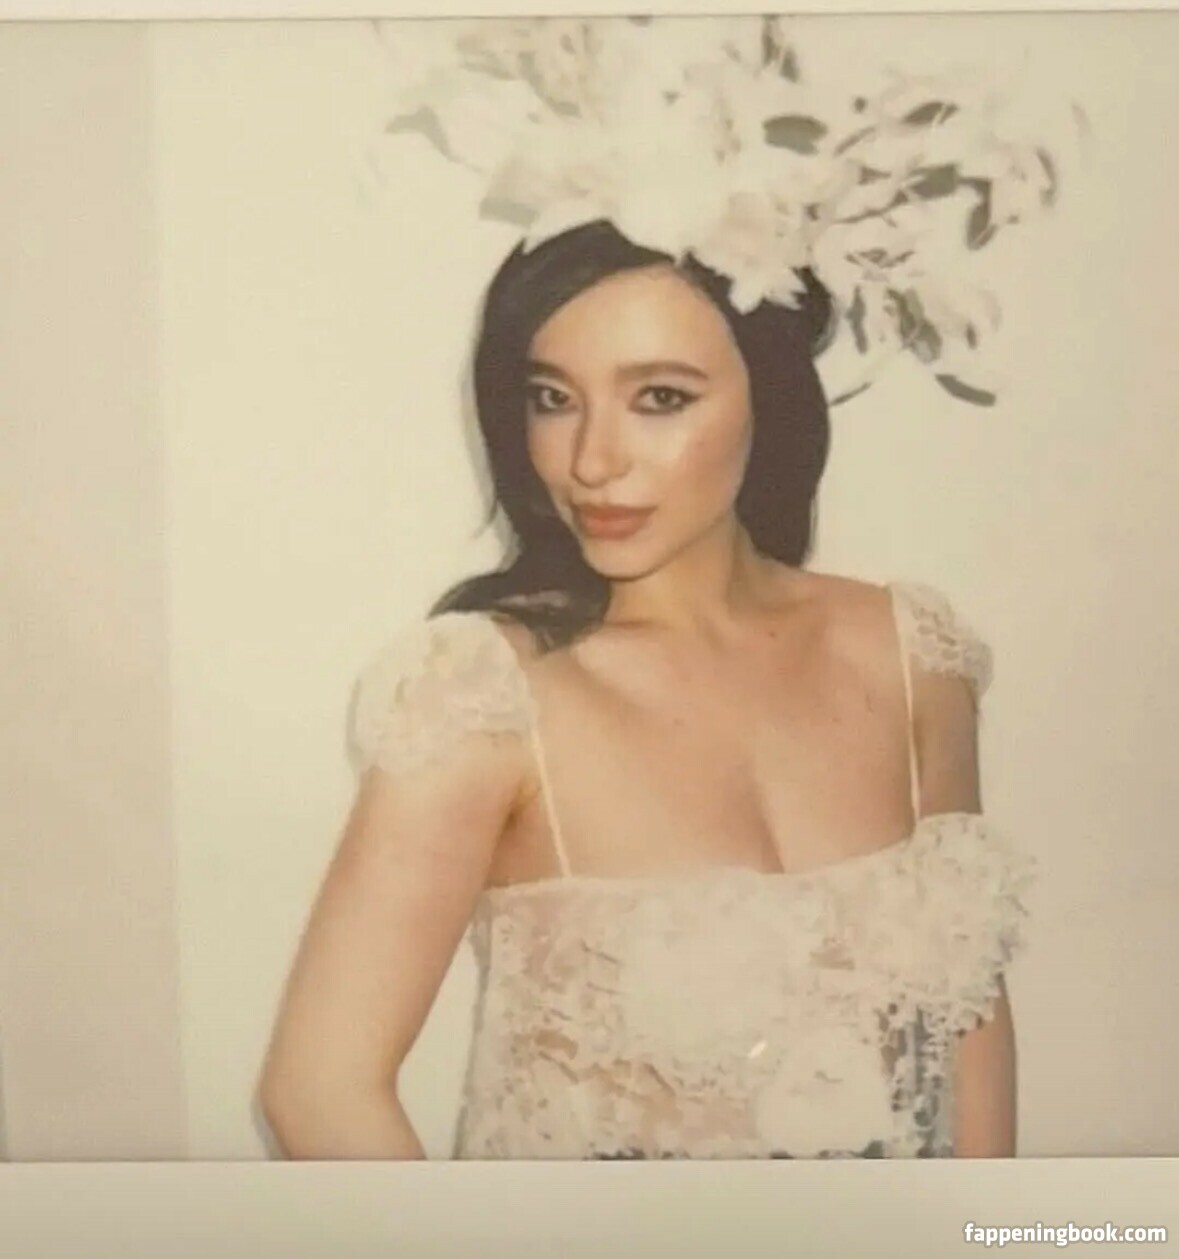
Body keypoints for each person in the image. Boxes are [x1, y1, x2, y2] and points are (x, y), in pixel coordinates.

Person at [257, 220, 1033, 1161]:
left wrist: (989, 1228)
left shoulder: (913, 653)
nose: (591, 460)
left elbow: (969, 1015)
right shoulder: (482, 695)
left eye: (659, 398)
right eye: (552, 399)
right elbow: (317, 1091)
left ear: (768, 398)